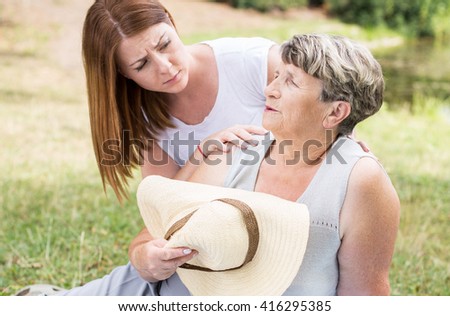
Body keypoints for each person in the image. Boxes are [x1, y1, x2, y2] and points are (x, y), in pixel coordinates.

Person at [56, 33, 398, 295]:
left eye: (289, 82)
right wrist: (146, 256)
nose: (270, 90)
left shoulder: (360, 181)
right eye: (276, 76)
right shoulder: (234, 148)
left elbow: (364, 296)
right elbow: (151, 235)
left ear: (336, 112)